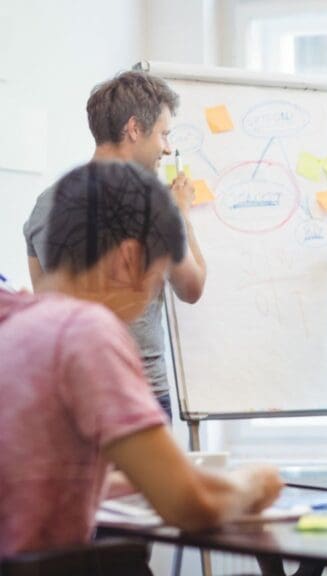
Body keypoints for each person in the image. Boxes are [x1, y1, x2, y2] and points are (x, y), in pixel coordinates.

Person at [0, 161, 282, 556]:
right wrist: (252, 484)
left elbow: (35, 477)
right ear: (131, 258)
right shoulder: (84, 332)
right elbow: (188, 504)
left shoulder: (14, 320)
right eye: (160, 270)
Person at [23, 70, 207, 419]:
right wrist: (180, 212)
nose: (167, 149)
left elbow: (42, 306)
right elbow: (192, 286)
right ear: (134, 128)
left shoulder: (44, 204)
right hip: (136, 397)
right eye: (163, 135)